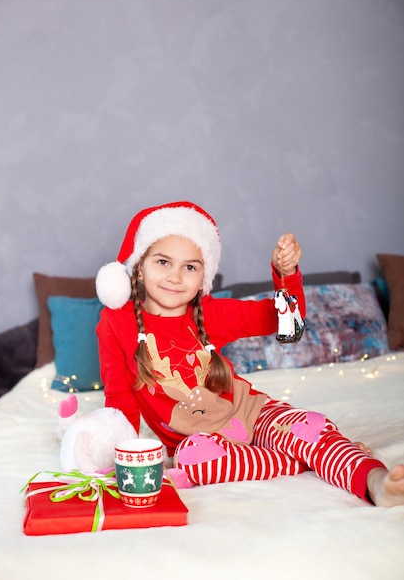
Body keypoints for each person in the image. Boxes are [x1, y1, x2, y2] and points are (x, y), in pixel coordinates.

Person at [96, 201, 404, 507]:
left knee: (307, 426)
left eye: (190, 267)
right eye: (163, 262)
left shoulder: (208, 312)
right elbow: (119, 398)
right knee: (193, 460)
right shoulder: (115, 322)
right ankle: (304, 460)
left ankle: (373, 481)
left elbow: (286, 323)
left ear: (203, 275)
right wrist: (121, 456)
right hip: (199, 444)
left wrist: (286, 274)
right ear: (139, 265)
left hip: (252, 413)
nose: (175, 277)